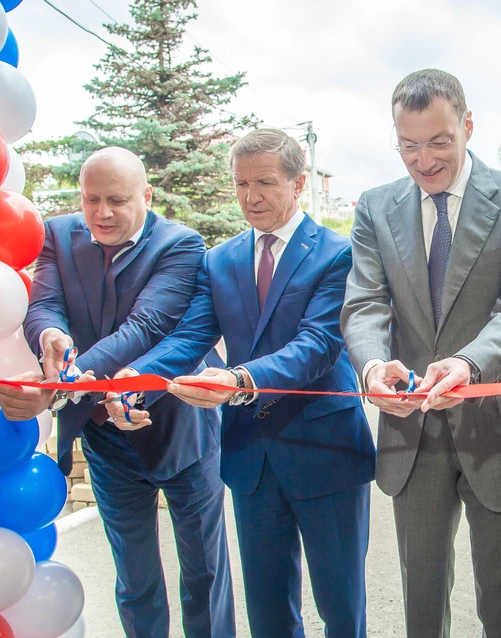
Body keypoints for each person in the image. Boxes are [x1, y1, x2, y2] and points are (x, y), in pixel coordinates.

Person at [107, 129, 376, 638]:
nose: (250, 197)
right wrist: (136, 377)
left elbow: (319, 344)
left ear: (299, 184)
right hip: (251, 460)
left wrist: (240, 378)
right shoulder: (220, 259)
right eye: (240, 184)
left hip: (327, 451)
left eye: (265, 183)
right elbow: (189, 336)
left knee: (341, 609)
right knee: (268, 613)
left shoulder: (339, 253)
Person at [0, 147, 233, 638]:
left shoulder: (181, 244)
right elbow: (45, 306)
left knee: (204, 574)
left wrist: (62, 385)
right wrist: (49, 337)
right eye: (90, 199)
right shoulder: (56, 235)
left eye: (116, 201)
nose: (101, 213)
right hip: (104, 439)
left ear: (146, 195)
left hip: (179, 431)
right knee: (134, 578)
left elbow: (146, 326)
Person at [342, 69, 501, 637]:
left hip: (497, 432)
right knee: (421, 601)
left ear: (467, 125)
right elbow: (364, 304)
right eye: (408, 145)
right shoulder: (376, 207)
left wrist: (466, 363)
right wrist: (371, 366)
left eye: (438, 141)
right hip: (412, 436)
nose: (424, 159)